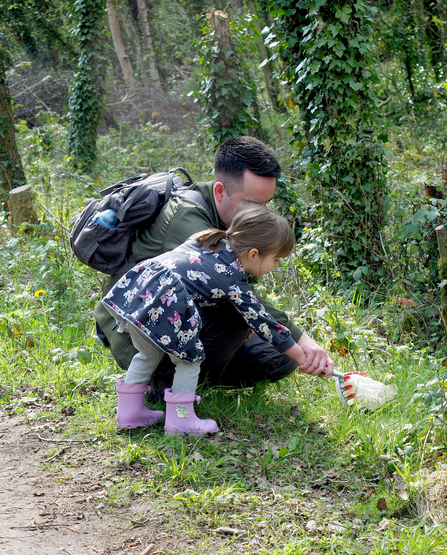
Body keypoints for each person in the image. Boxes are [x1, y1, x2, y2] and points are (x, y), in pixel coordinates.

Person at [93, 136, 334, 396]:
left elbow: (246, 295)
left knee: (279, 358)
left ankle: (195, 379)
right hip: (137, 332)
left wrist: (291, 345)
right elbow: (244, 300)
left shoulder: (234, 222)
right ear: (220, 191)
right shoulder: (187, 218)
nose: (260, 212)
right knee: (239, 318)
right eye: (253, 204)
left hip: (178, 320)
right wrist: (302, 341)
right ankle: (162, 384)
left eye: (266, 204)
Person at [102, 204, 308, 435]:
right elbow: (263, 323)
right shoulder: (233, 280)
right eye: (276, 259)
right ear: (253, 254)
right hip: (167, 302)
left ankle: (130, 413)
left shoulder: (207, 239)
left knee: (147, 353)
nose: (276, 266)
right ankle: (181, 420)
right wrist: (301, 356)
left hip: (140, 292)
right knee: (189, 360)